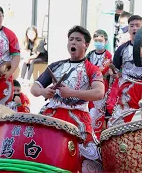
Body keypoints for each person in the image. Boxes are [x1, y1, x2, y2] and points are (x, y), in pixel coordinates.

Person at [30, 26, 104, 171]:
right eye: (71, 39)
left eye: (78, 40)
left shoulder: (92, 69)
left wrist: (71, 93)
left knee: (92, 160)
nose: (73, 43)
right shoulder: (56, 66)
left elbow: (99, 92)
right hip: (51, 115)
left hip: (78, 118)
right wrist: (44, 91)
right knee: (38, 152)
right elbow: (34, 88)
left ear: (86, 45)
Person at [86, 29, 112, 140]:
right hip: (90, 85)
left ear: (105, 42)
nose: (98, 42)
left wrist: (92, 72)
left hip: (102, 85)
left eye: (100, 40)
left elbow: (102, 69)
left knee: (98, 111)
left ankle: (95, 137)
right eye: (96, 40)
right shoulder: (90, 54)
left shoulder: (108, 55)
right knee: (90, 110)